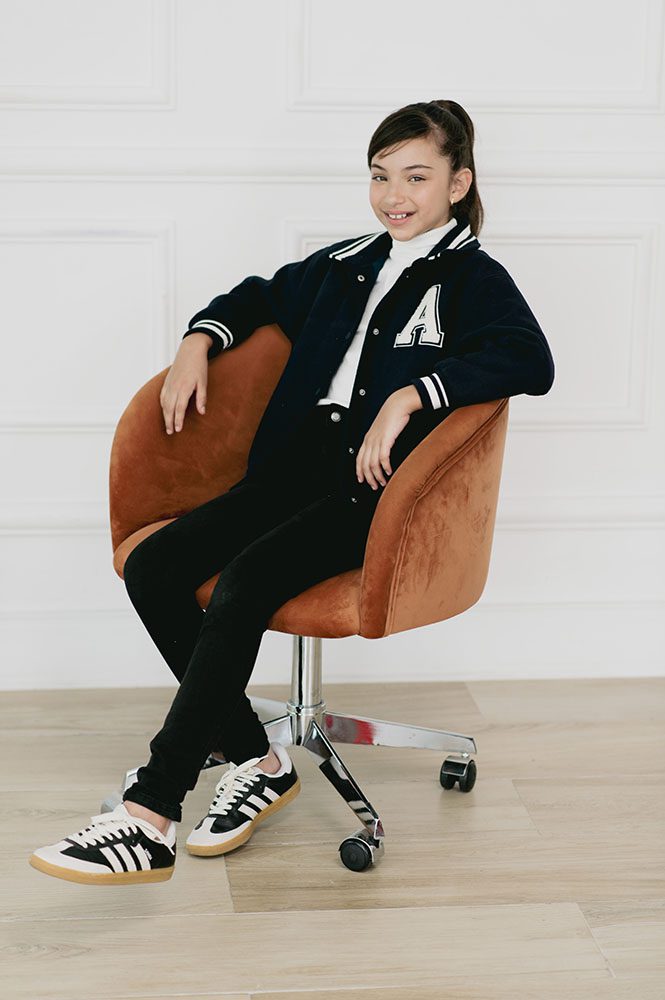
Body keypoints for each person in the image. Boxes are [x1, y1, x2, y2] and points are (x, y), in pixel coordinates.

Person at [29, 99, 555, 884]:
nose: (393, 195)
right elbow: (254, 297)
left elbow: (528, 358)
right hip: (286, 474)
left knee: (241, 585)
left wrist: (413, 395)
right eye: (379, 176)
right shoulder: (343, 263)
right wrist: (198, 341)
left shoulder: (473, 279)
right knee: (154, 566)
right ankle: (258, 758)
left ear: (458, 183)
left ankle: (151, 811)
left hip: (372, 496)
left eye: (416, 177)